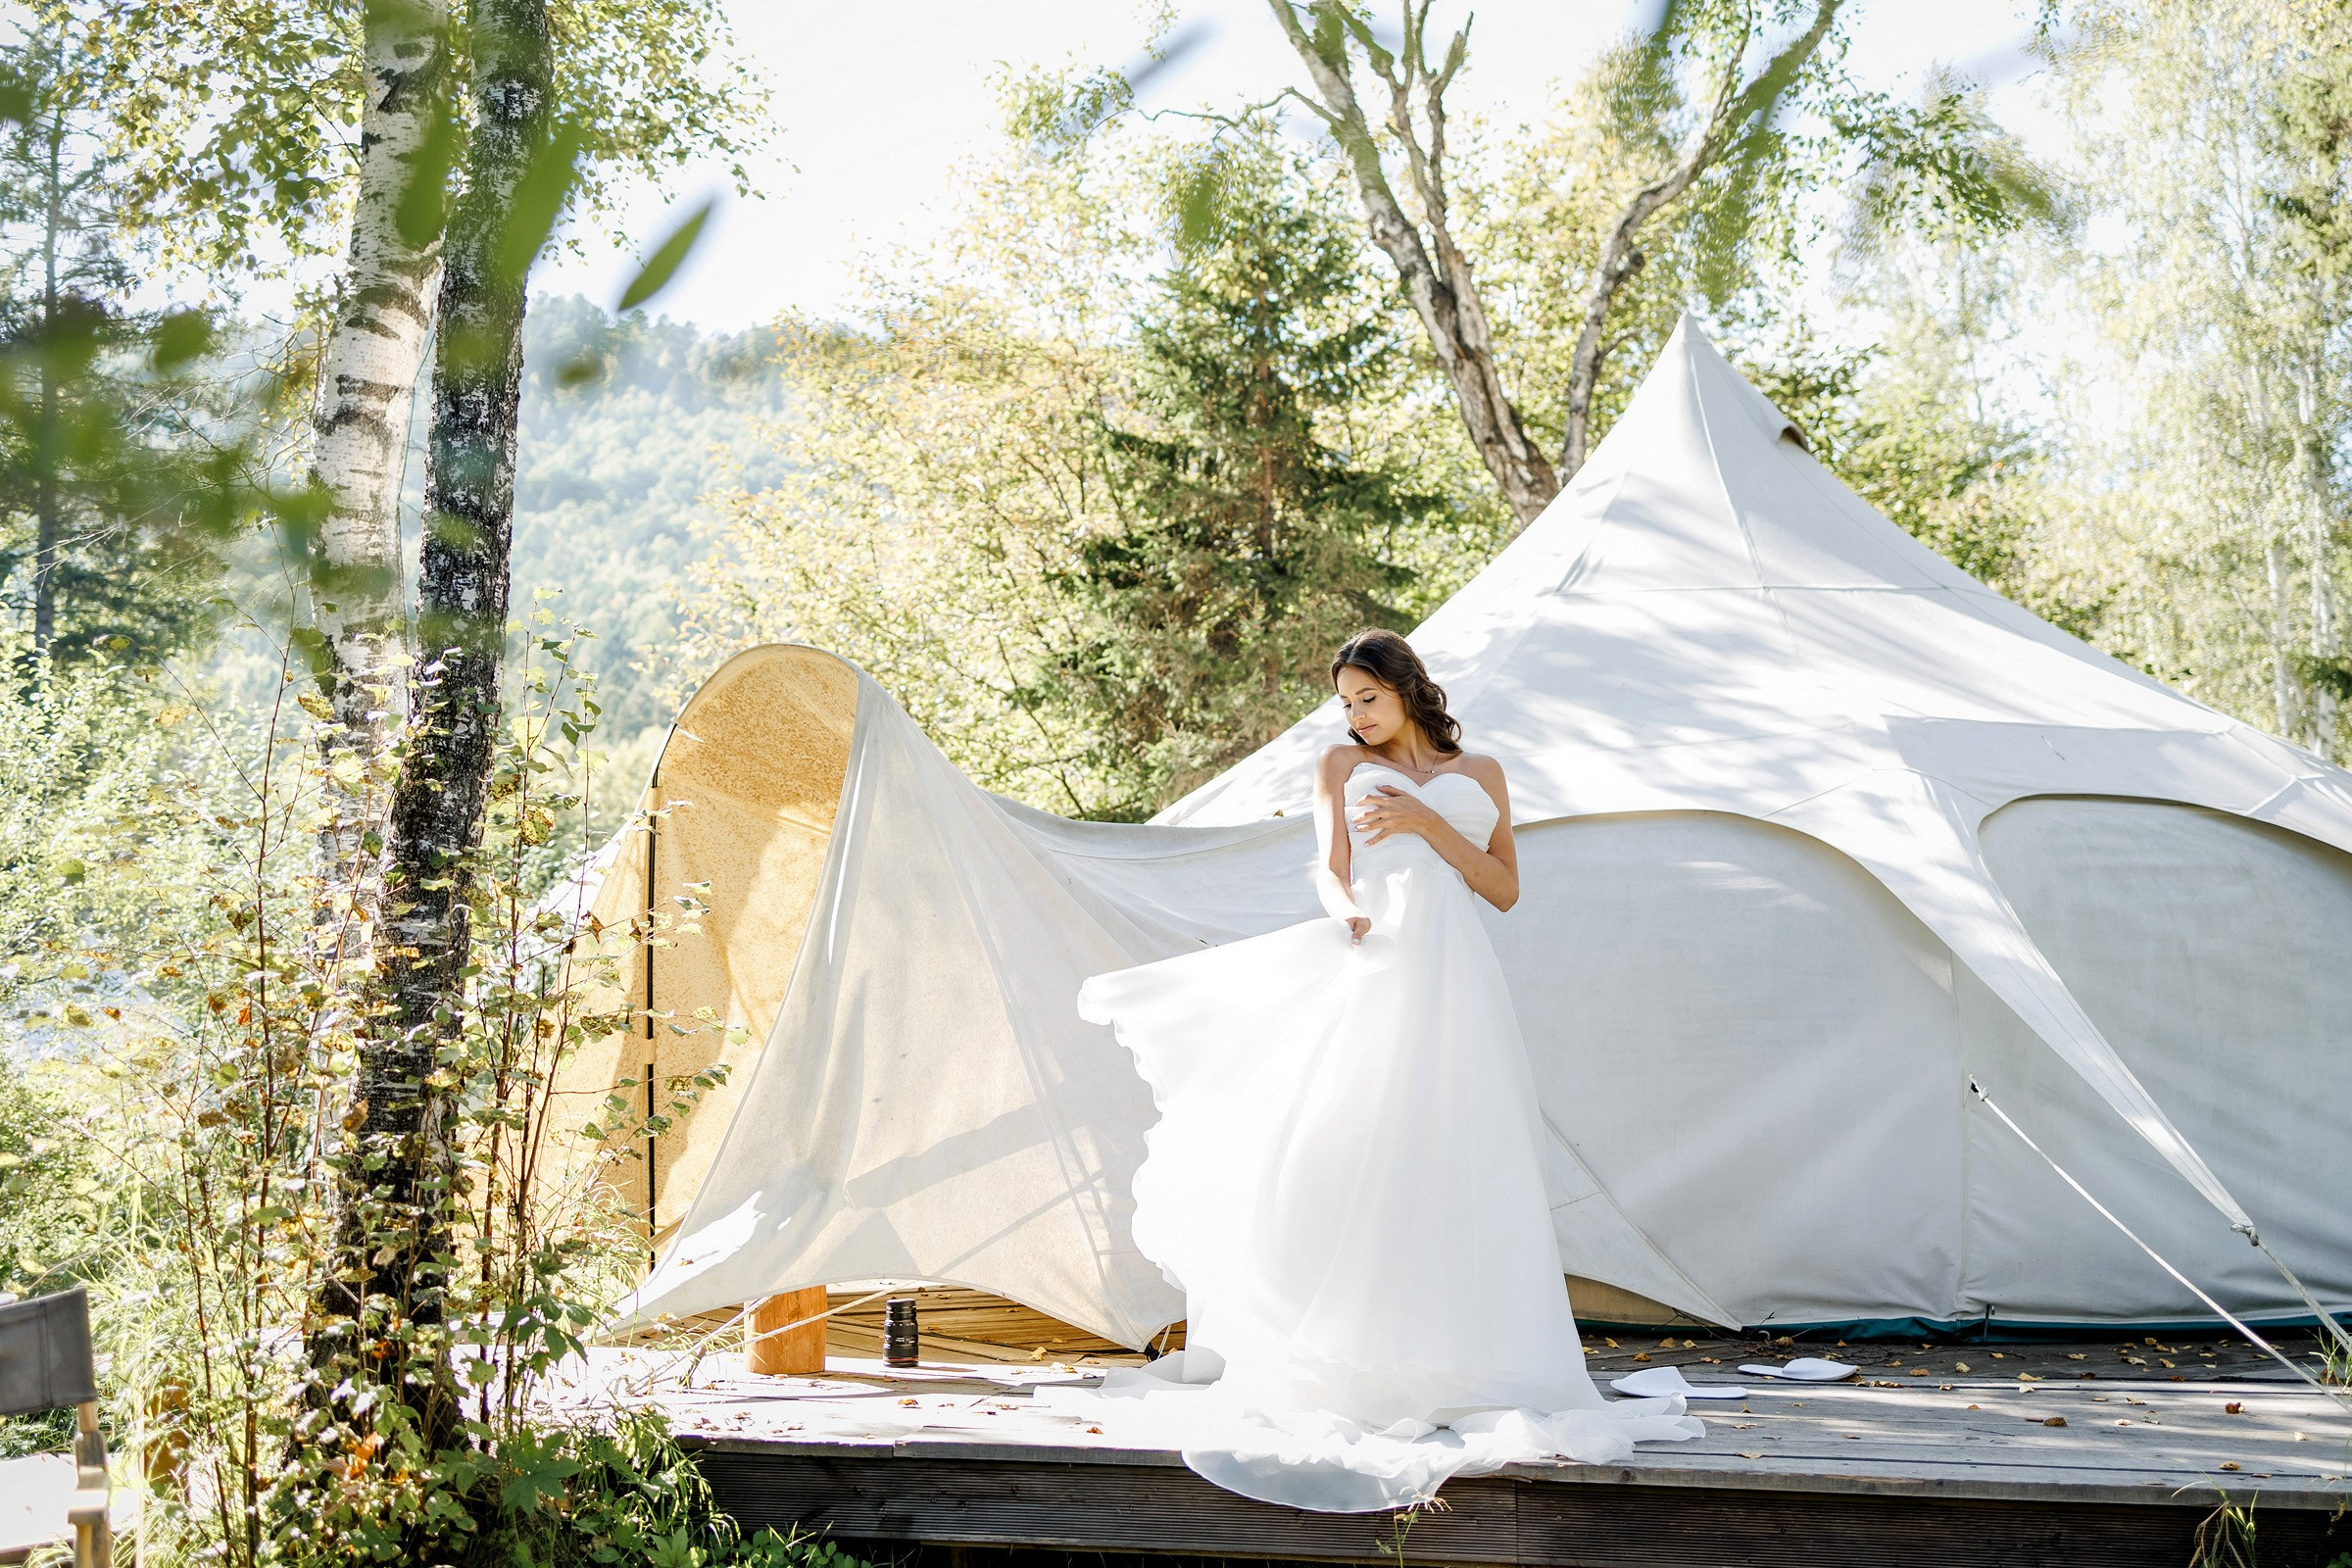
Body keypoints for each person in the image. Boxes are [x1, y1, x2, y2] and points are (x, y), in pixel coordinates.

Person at [1059, 629, 1703, 1512]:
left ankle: (1469, 1353)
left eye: (1368, 698)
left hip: (1459, 976)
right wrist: (1347, 914)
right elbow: (1329, 870)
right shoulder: (1338, 765)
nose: (1356, 716)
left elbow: (1504, 889)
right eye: (1347, 703)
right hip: (1382, 960)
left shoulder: (1481, 773)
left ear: (1407, 689)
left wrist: (1429, 823)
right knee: (1360, 1140)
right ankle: (1354, 1351)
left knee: (1462, 1150)